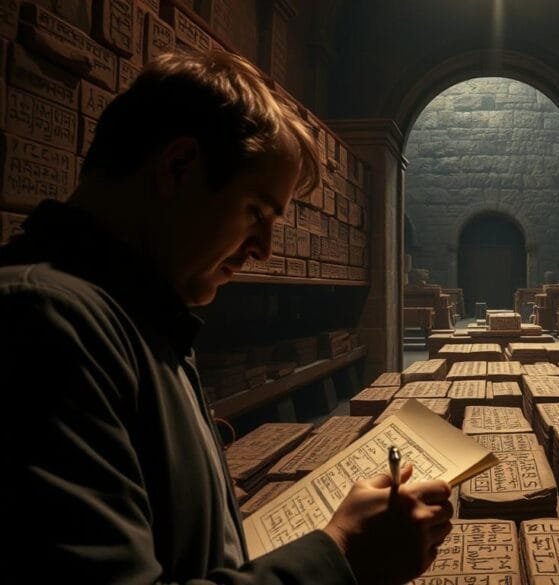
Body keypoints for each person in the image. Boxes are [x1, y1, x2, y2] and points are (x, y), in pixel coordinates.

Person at [0, 50, 452, 584]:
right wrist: (343, 555)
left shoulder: (139, 319)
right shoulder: (43, 325)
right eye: (257, 212)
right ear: (178, 167)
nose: (262, 248)